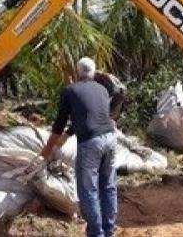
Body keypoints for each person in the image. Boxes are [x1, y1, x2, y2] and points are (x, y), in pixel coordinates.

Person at [40, 57, 119, 237]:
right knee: (108, 186)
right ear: (93, 72)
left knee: (88, 189)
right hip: (111, 139)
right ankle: (109, 231)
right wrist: (68, 135)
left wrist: (48, 149)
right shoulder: (102, 89)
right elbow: (91, 116)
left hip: (91, 143)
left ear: (77, 72)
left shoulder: (70, 91)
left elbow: (58, 124)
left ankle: (95, 233)